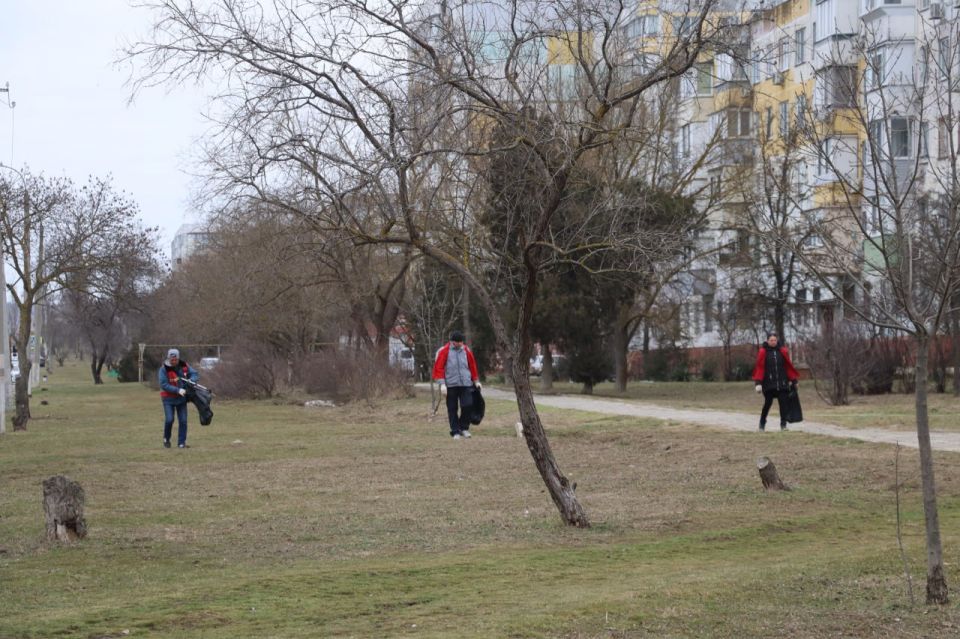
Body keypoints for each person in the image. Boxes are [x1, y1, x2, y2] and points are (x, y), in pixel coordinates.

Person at [432, 330, 481, 440]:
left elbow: (472, 365)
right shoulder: (445, 351)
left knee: (467, 405)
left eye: (461, 342)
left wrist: (476, 380)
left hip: (465, 383)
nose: (461, 344)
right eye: (459, 342)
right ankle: (455, 431)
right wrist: (442, 384)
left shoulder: (466, 350)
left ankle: (464, 428)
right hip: (451, 385)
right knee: (452, 408)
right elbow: (438, 367)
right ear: (453, 342)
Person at [752, 332, 799, 432]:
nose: (773, 342)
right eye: (771, 340)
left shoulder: (782, 351)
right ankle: (762, 423)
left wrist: (794, 380)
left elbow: (788, 367)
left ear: (777, 341)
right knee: (767, 404)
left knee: (783, 404)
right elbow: (759, 368)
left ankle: (783, 425)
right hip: (768, 384)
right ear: (767, 341)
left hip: (782, 383)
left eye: (775, 340)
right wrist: (758, 383)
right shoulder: (763, 352)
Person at [158, 348, 199, 448]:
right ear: (168, 358)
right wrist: (177, 390)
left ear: (178, 358)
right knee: (169, 420)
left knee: (183, 420)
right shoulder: (163, 369)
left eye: (175, 359)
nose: (174, 361)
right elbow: (164, 384)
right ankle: (166, 439)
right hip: (168, 399)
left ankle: (181, 443)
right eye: (172, 359)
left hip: (181, 399)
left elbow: (194, 374)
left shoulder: (184, 366)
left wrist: (191, 380)